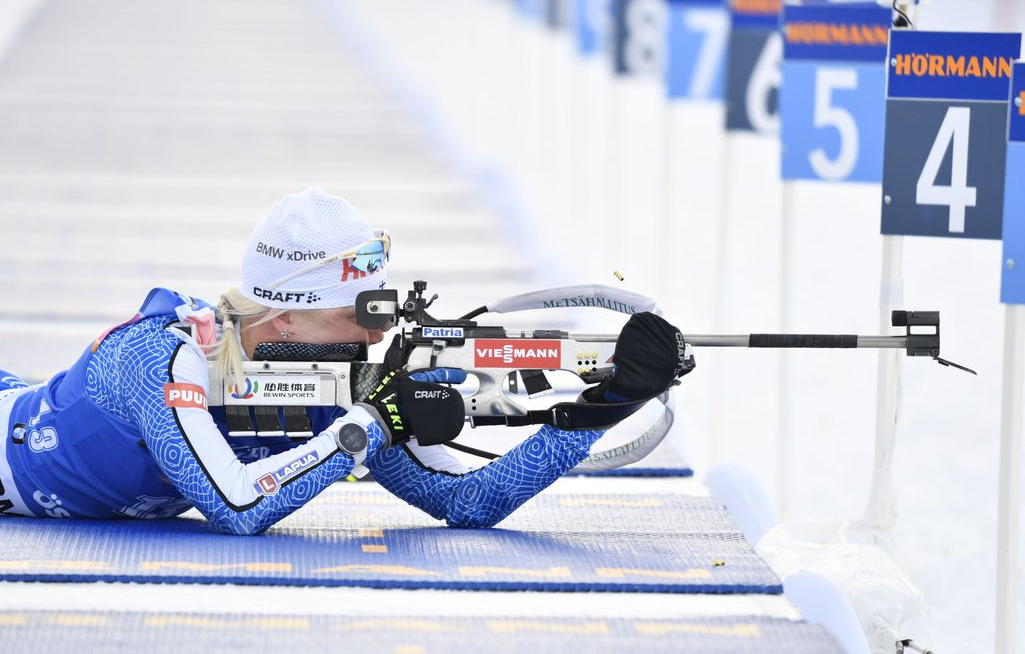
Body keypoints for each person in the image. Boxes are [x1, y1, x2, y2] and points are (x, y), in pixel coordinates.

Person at [0, 188, 685, 535]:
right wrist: (368, 424)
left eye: (380, 308)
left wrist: (607, 403)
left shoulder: (332, 384)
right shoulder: (162, 356)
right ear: (285, 313)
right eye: (357, 313)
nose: (373, 332)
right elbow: (237, 507)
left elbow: (463, 501)